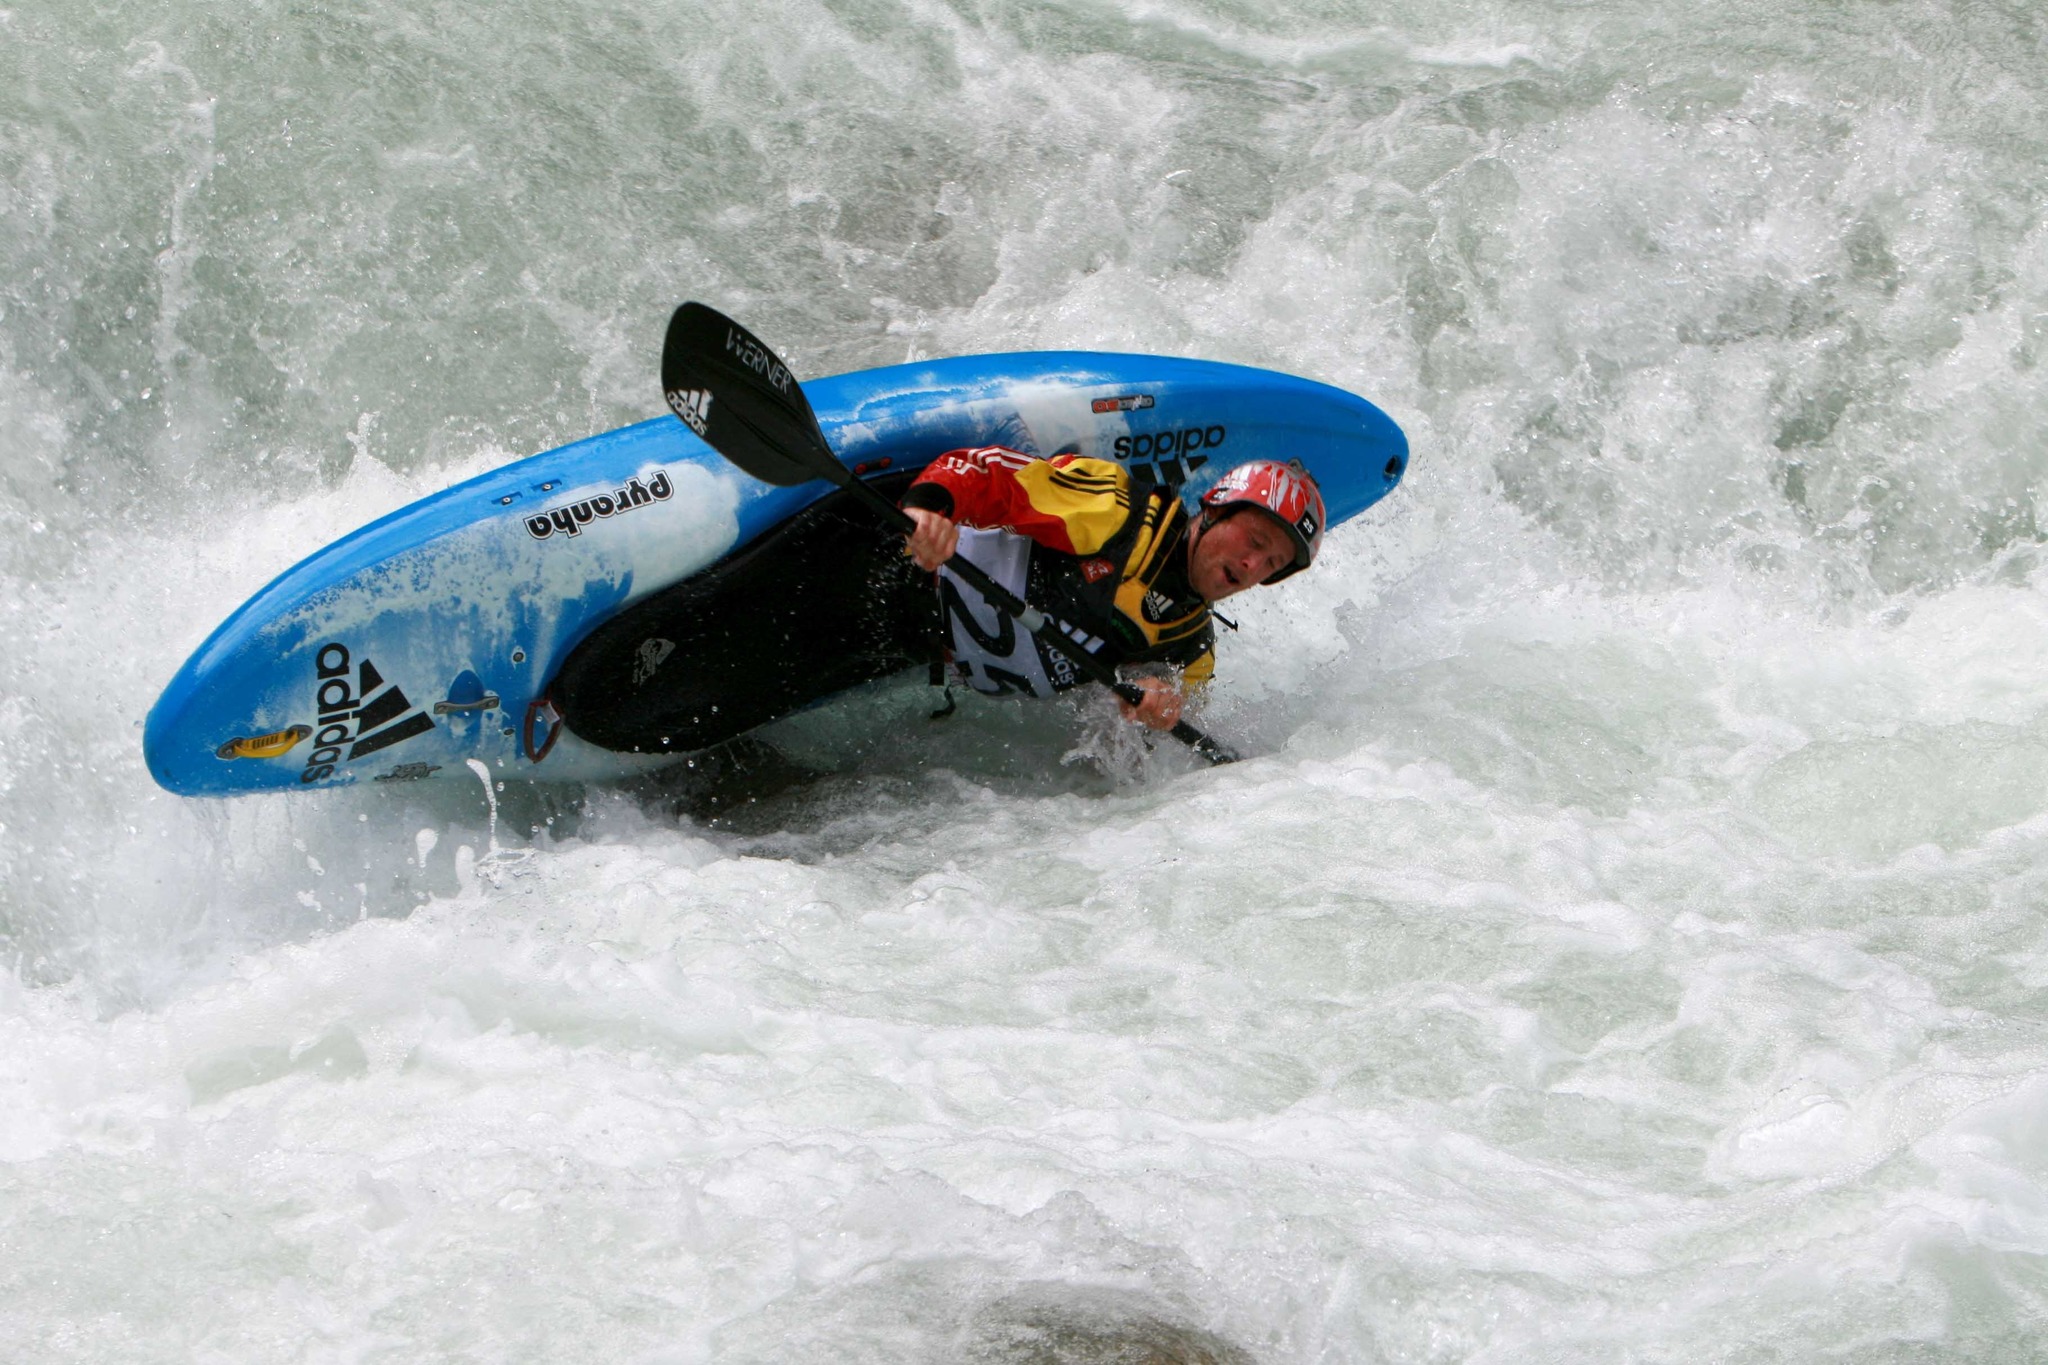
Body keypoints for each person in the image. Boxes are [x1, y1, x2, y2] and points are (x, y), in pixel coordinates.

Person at [897, 446, 1325, 732]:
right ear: (1216, 509)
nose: (1253, 565)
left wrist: (1159, 708)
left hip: (905, 664)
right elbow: (984, 471)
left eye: (1272, 564)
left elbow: (1153, 754)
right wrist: (927, 511)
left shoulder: (1191, 651)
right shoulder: (1116, 515)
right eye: (1254, 541)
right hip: (899, 574)